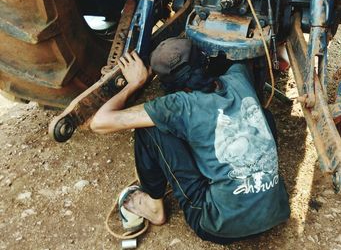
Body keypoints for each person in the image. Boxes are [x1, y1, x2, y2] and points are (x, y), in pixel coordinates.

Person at [90, 37, 290, 244]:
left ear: (167, 85)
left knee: (150, 130)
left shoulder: (177, 105)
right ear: (204, 61)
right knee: (263, 116)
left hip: (218, 225)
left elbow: (99, 122)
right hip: (275, 212)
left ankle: (153, 207)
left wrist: (135, 83)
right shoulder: (238, 77)